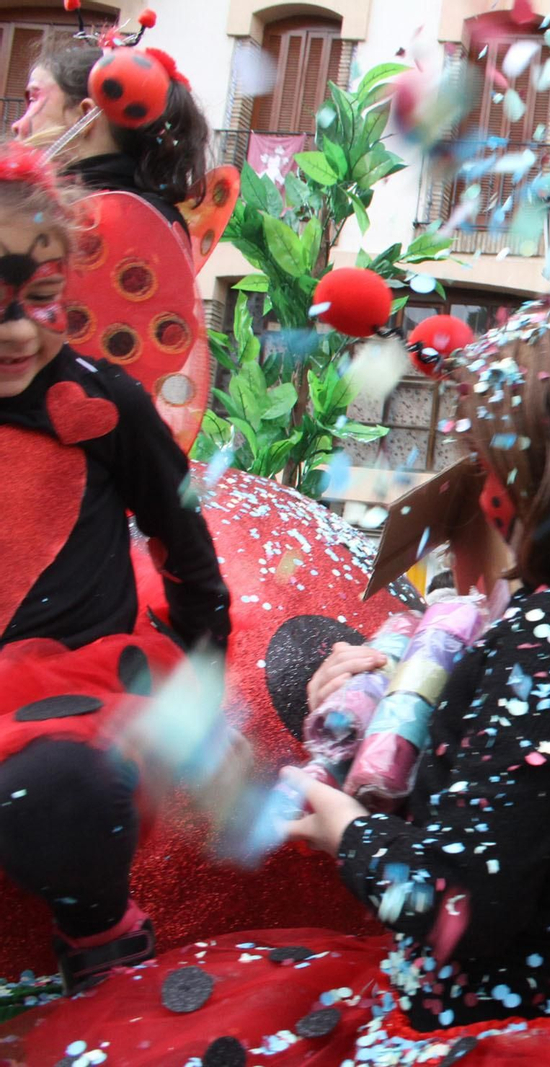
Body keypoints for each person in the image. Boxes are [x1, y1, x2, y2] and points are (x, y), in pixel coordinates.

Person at [0, 288, 550, 1063]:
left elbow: (457, 902)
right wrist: (409, 678)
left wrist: (342, 827)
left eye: (491, 449)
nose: (477, 476)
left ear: (533, 476)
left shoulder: (546, 649)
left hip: (479, 1023)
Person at [0, 143, 230, 993]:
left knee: (60, 796)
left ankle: (100, 935)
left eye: (42, 299)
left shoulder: (103, 398)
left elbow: (184, 533)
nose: (19, 328)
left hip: (72, 689)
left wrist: (208, 664)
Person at [12, 42, 209, 227]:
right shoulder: (156, 215)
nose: (16, 125)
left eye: (34, 98)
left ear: (85, 115)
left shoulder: (65, 218)